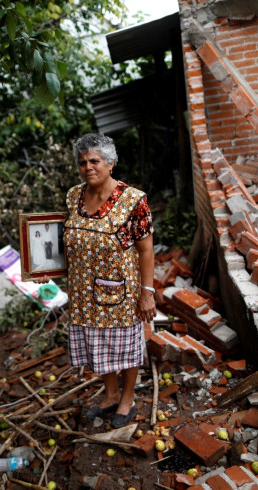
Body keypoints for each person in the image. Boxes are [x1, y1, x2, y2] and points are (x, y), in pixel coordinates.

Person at [63, 133, 155, 428]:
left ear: (110, 163)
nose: (87, 167)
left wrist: (147, 293)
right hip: (83, 293)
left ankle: (126, 399)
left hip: (120, 293)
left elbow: (146, 250)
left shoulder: (133, 201)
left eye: (94, 161)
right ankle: (111, 394)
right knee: (97, 345)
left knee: (124, 349)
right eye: (82, 162)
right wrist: (43, 273)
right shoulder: (73, 196)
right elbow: (65, 241)